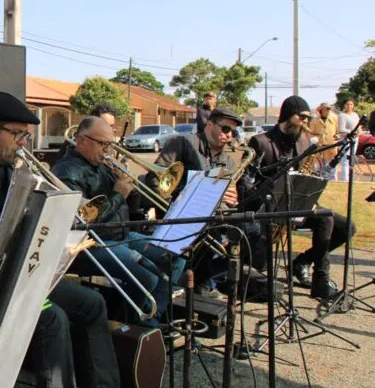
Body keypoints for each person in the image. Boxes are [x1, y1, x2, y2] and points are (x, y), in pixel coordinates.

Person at [0, 92, 149, 388]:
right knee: (53, 319)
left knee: (91, 304)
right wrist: (29, 208)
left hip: (16, 271)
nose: (23, 144)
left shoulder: (7, 167)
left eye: (25, 136)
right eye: (17, 135)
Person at [52, 116, 171, 325]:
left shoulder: (102, 165)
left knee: (174, 257)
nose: (107, 150)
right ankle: (132, 330)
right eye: (103, 144)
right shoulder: (66, 171)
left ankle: (150, 322)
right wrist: (118, 195)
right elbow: (83, 221)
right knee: (147, 278)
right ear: (81, 141)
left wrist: (130, 188)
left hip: (122, 234)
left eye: (110, 144)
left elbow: (130, 208)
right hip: (91, 243)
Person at [248, 96, 355, 299]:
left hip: (298, 202)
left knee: (347, 228)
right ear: (288, 115)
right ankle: (321, 282)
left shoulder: (303, 140)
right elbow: (248, 183)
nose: (306, 122)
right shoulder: (260, 142)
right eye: (302, 117)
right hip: (270, 207)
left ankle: (303, 262)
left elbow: (305, 174)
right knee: (325, 218)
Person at [146, 107, 242, 298]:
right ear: (209, 124)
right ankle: (186, 285)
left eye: (233, 132)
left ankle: (202, 282)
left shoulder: (229, 163)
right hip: (175, 214)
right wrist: (183, 198)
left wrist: (232, 199)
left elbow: (226, 200)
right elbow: (154, 179)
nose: (229, 136)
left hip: (210, 220)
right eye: (225, 129)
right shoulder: (182, 143)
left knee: (246, 232)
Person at [309, 102, 338, 179]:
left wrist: (336, 137)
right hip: (320, 145)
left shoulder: (334, 118)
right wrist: (315, 140)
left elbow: (338, 130)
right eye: (326, 109)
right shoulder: (315, 120)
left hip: (331, 145)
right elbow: (311, 133)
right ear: (321, 110)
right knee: (320, 164)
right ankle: (321, 178)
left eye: (329, 109)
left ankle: (333, 179)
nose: (328, 111)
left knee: (332, 163)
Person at [336, 98, 360, 182]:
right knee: (345, 160)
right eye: (347, 104)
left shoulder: (355, 115)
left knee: (351, 159)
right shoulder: (342, 115)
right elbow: (341, 129)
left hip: (355, 140)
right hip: (345, 140)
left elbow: (358, 126)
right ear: (344, 105)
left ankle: (350, 179)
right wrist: (352, 132)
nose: (349, 106)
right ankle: (345, 180)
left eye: (351, 104)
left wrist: (359, 131)